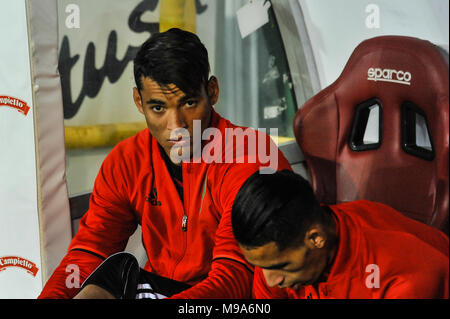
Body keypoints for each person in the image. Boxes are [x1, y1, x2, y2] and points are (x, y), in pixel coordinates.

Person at [38, 28, 291, 299]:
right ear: (139, 101)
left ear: (212, 92)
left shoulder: (248, 155)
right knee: (113, 273)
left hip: (238, 298)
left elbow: (235, 278)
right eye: (158, 108)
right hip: (169, 293)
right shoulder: (127, 161)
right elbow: (88, 253)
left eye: (189, 103)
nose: (176, 126)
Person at [231, 170, 449, 299]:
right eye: (260, 266)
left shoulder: (403, 280)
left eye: (280, 267)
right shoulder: (274, 251)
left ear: (316, 238)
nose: (270, 282)